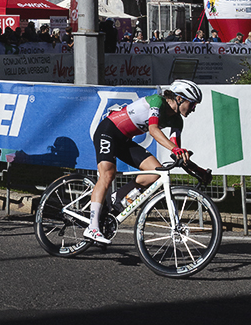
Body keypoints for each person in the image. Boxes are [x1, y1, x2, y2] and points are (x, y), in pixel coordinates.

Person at [84, 79, 202, 244]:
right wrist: (175, 149)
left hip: (124, 140)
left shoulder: (177, 121)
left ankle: (116, 198)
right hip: (108, 131)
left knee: (155, 172)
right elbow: (153, 129)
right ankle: (92, 227)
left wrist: (199, 171)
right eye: (193, 104)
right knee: (108, 175)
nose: (194, 109)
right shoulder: (157, 101)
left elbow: (177, 153)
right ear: (180, 98)